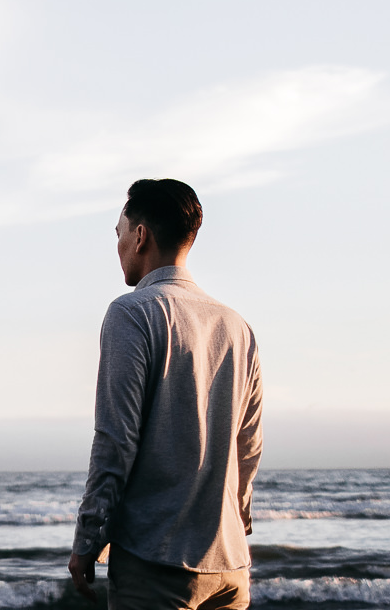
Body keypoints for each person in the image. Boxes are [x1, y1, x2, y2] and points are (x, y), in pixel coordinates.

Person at [68, 179, 264, 610]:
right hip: (229, 565)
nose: (117, 243)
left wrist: (87, 539)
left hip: (157, 561)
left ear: (140, 236)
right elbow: (248, 447)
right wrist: (236, 520)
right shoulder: (236, 326)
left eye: (119, 232)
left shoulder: (132, 313)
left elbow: (116, 441)